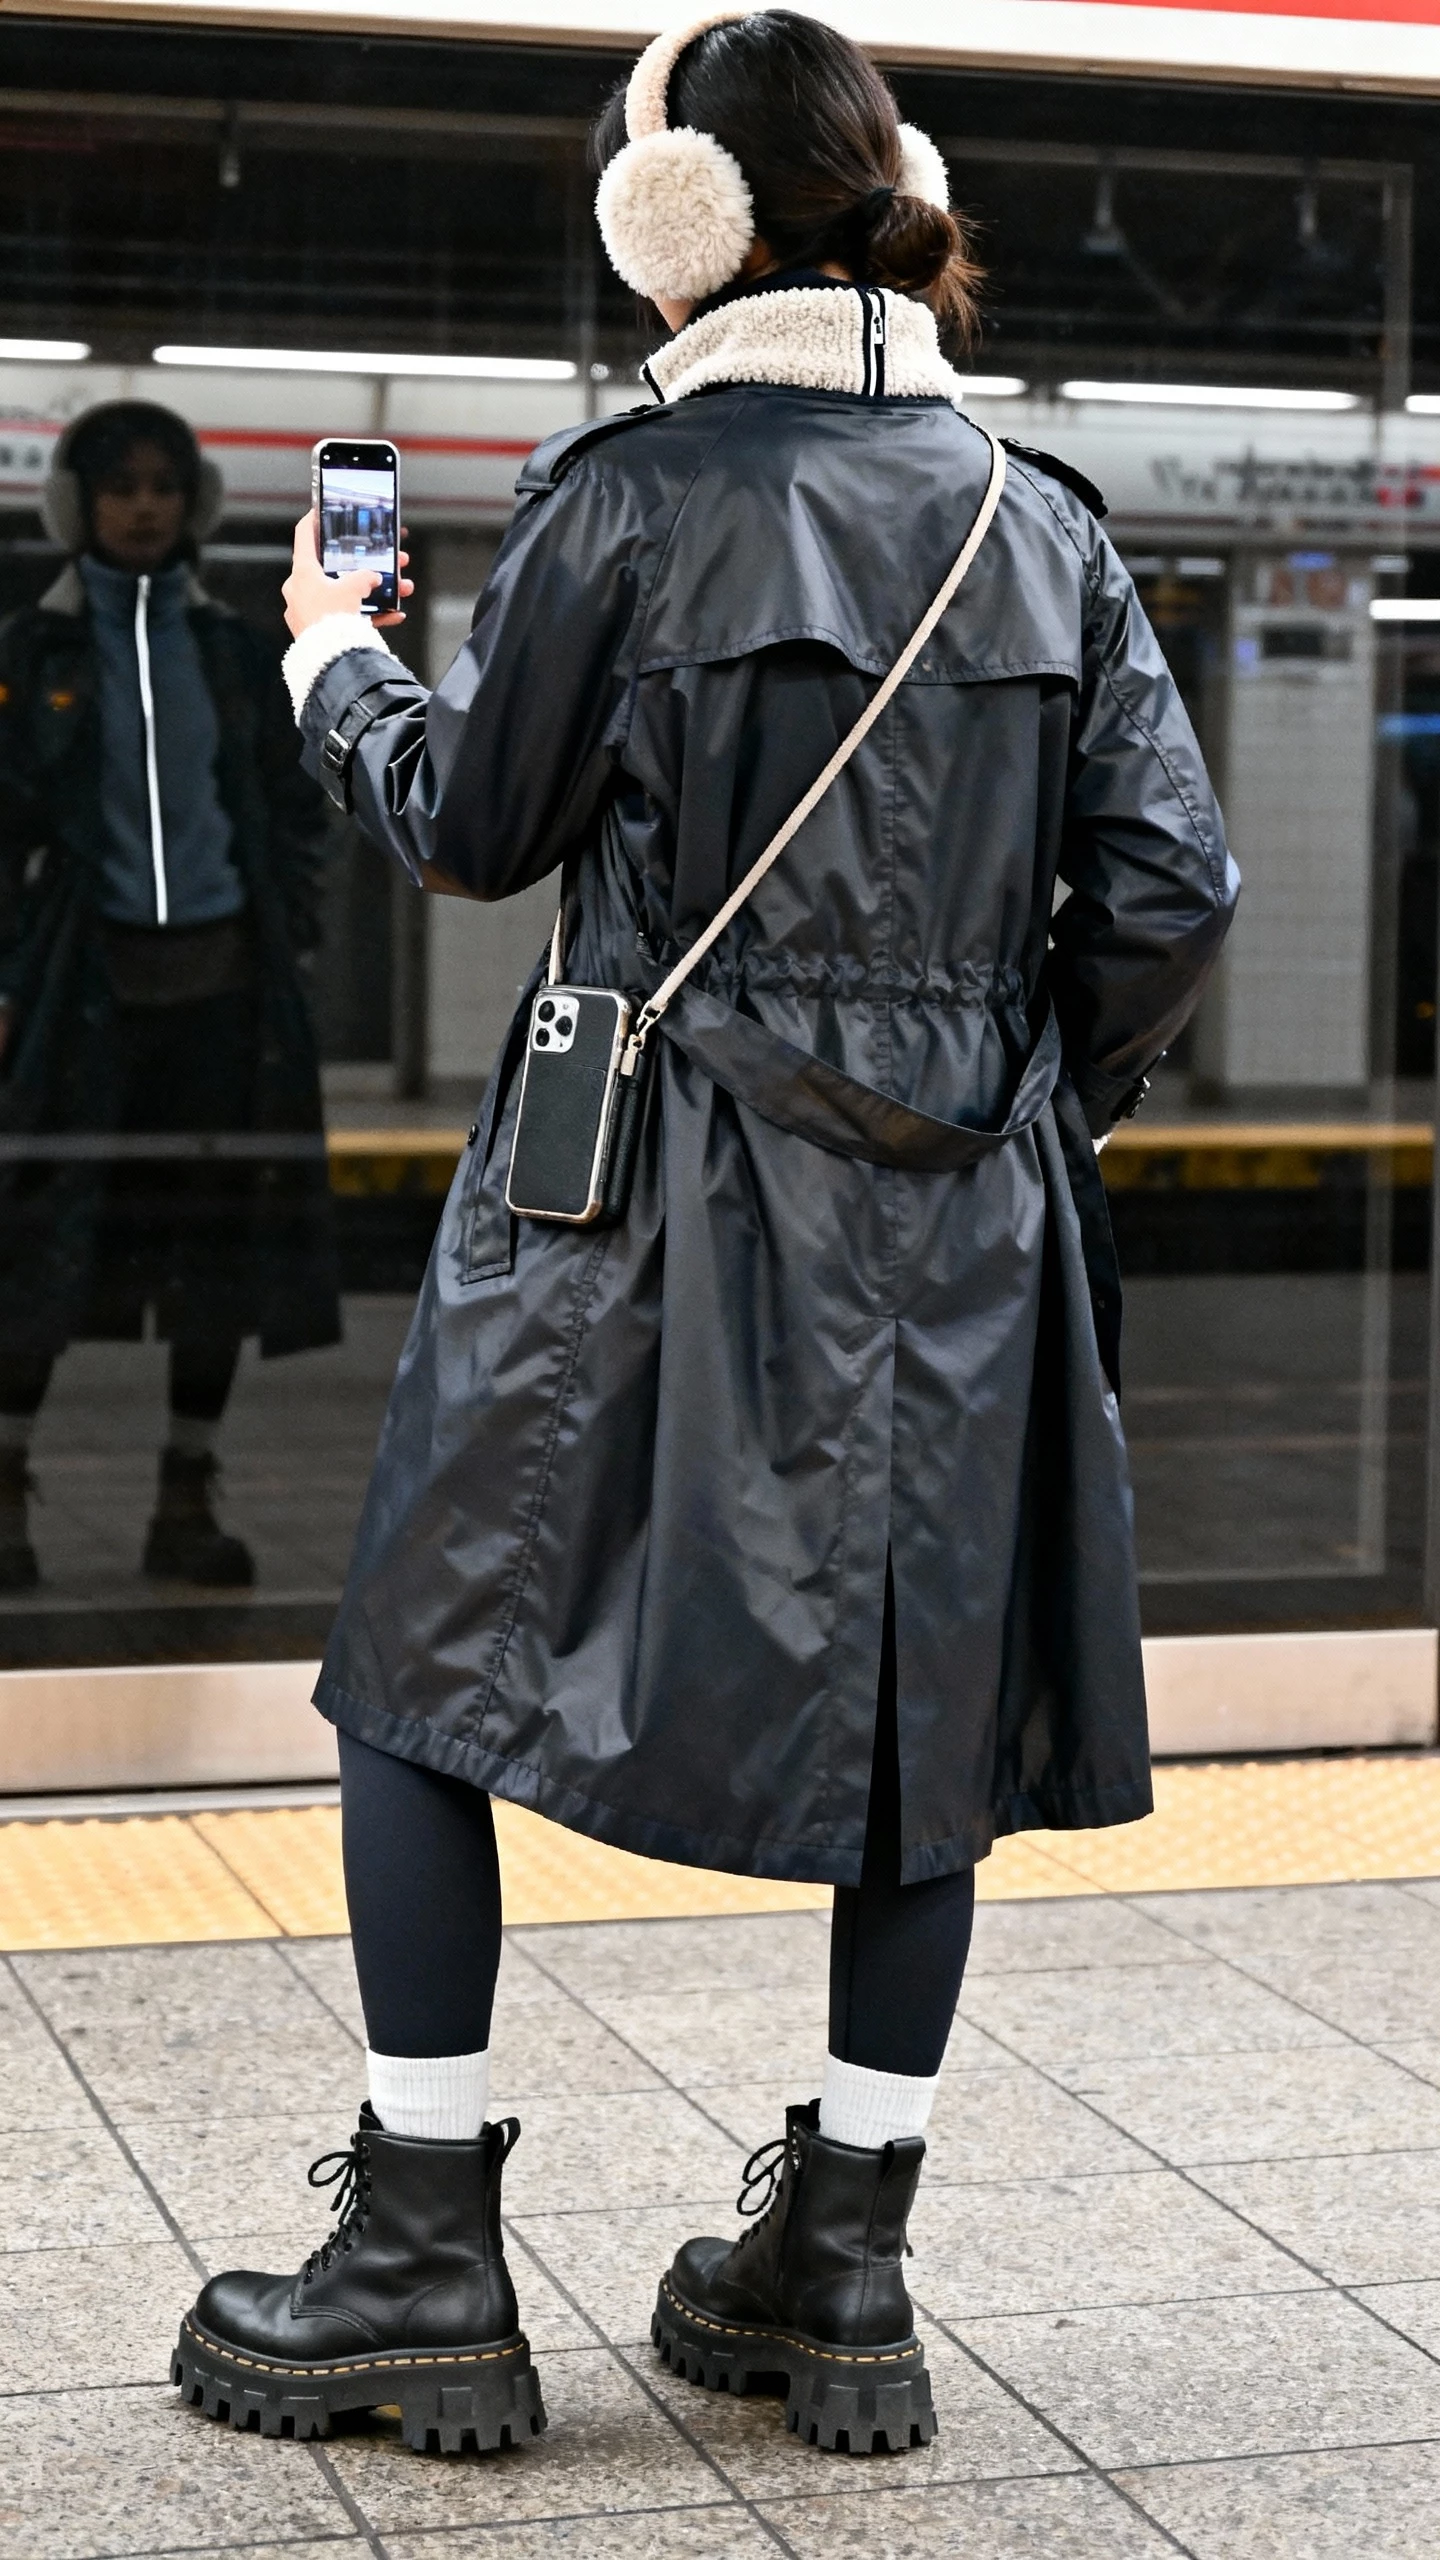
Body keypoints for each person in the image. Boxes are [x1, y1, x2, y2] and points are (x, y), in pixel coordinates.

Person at [174, 11, 1238, 2462]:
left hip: (631, 1186)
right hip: (959, 1216)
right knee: (920, 1711)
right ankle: (837, 2261)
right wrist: (1003, 1106)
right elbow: (1173, 886)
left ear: (668, 231)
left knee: (426, 1670)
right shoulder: (1036, 518)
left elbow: (474, 818)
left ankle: (422, 2241)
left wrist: (341, 667)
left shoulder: (623, 494)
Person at [0, 401, 338, 1592]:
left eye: (160, 484)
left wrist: (286, 928)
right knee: (33, 1244)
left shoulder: (242, 655)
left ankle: (183, 1502)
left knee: (214, 1251)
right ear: (77, 503)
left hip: (221, 997)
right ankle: (5, 1493)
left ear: (187, 500)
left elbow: (293, 810)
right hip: (72, 995)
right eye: (117, 485)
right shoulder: (25, 655)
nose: (141, 504)